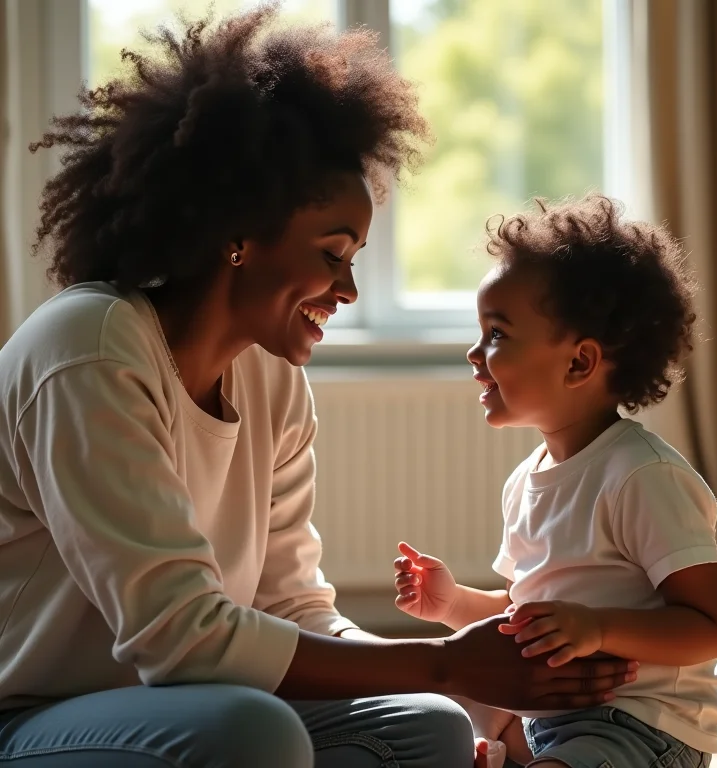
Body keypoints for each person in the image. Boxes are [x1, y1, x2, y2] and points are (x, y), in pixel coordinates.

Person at [0, 6, 634, 768]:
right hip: (36, 718)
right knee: (254, 735)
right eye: (334, 255)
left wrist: (461, 681)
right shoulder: (91, 349)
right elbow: (183, 639)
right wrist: (445, 661)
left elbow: (294, 608)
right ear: (237, 235)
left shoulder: (270, 375)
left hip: (184, 707)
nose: (350, 291)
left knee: (429, 723)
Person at [394, 195, 717, 768]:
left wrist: (597, 627)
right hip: (549, 716)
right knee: (441, 711)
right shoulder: (523, 483)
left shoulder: (642, 476)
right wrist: (455, 604)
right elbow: (527, 614)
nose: (475, 354)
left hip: (643, 727)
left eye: (497, 335)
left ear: (578, 363)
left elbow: (713, 627)